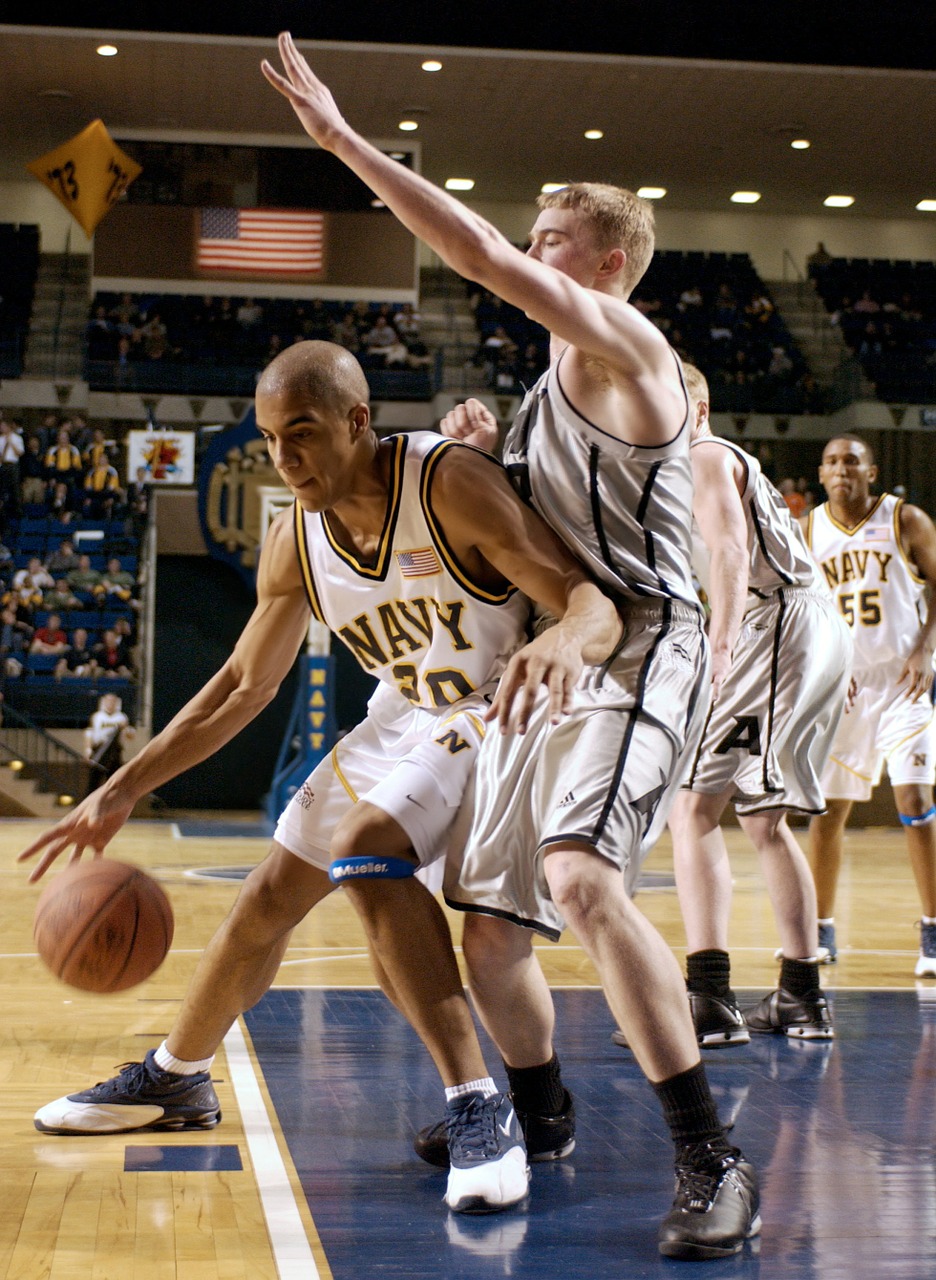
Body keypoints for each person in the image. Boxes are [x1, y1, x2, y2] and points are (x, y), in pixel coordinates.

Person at [259, 32, 759, 1259]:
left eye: (547, 239)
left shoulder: (626, 347)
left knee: (583, 878)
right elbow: (525, 518)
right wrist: (486, 441)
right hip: (561, 652)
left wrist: (342, 141)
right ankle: (542, 1113)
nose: (526, 249)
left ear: (608, 263)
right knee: (488, 925)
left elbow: (470, 252)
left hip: (642, 642)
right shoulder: (545, 392)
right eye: (532, 237)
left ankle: (713, 1155)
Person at [21, 339, 622, 1220]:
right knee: (267, 898)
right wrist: (123, 788)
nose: (284, 458)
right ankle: (179, 1078)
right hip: (404, 714)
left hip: (499, 707)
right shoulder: (292, 536)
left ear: (358, 421)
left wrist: (563, 643)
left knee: (365, 851)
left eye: (300, 432)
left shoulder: (447, 483)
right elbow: (240, 686)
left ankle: (476, 1105)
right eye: (268, 439)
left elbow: (588, 598)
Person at [662, 363, 851, 1046]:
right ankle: (801, 994)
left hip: (774, 623)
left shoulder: (704, 454)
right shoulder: (714, 464)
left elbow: (734, 554)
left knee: (695, 806)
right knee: (763, 819)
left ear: (698, 405)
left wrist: (721, 646)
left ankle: (711, 999)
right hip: (803, 623)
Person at [804, 434, 936, 976]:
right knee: (828, 812)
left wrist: (926, 650)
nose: (843, 469)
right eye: (833, 461)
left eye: (852, 461)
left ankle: (932, 929)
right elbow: (802, 608)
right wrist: (826, 663)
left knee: (914, 798)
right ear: (821, 472)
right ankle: (819, 928)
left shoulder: (905, 520)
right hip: (846, 687)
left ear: (872, 471)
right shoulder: (806, 529)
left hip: (905, 680)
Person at [84, 692, 134, 793]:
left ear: (116, 703)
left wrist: (125, 727)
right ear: (104, 702)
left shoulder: (122, 717)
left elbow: (131, 736)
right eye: (108, 701)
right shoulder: (97, 716)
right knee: (94, 781)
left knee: (115, 782)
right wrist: (88, 749)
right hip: (99, 750)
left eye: (113, 701)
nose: (110, 703)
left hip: (114, 752)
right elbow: (89, 733)